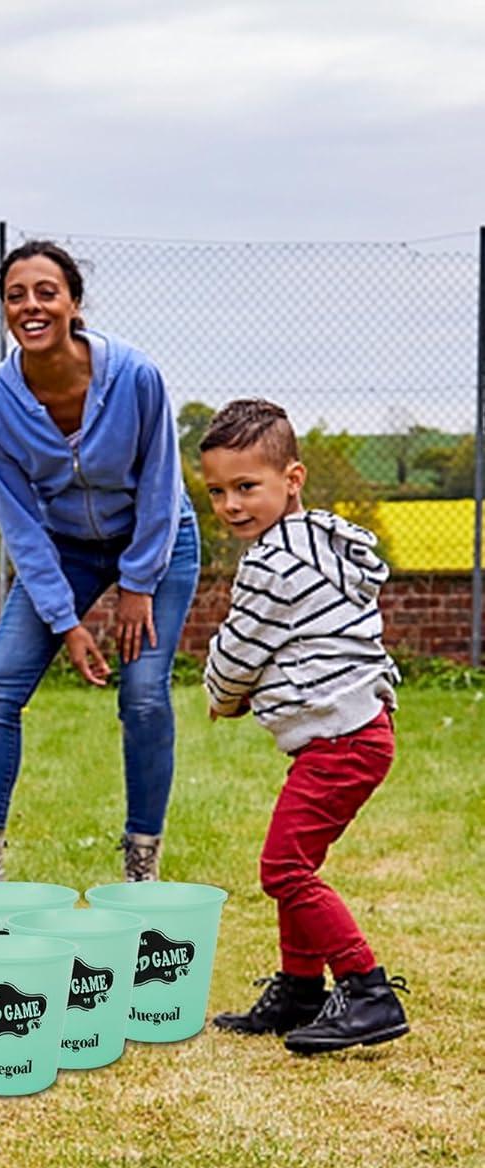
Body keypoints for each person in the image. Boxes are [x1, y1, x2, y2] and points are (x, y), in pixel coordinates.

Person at [0, 240, 200, 886]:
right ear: (5, 309)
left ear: (74, 303)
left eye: (45, 292)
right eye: (16, 295)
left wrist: (138, 585)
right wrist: (67, 620)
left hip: (159, 536)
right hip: (63, 548)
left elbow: (161, 484)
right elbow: (21, 526)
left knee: (143, 693)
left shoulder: (136, 377)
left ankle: (142, 859)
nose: (30, 306)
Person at [200, 399, 409, 1054]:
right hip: (355, 729)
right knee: (297, 859)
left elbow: (241, 648)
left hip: (341, 739)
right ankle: (298, 990)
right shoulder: (321, 540)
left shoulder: (271, 565)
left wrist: (222, 694)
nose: (232, 505)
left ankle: (367, 989)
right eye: (217, 491)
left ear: (293, 478)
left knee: (285, 868)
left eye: (246, 487)